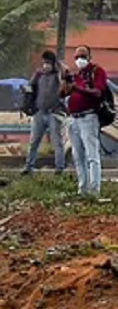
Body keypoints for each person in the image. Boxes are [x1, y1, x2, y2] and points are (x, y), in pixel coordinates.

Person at [62, 45, 107, 197]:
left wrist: (78, 88)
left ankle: (95, 191)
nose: (79, 60)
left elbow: (98, 92)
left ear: (89, 57)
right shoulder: (77, 75)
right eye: (76, 57)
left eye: (82, 56)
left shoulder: (97, 71)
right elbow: (62, 94)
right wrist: (65, 81)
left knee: (92, 156)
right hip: (73, 119)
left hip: (88, 117)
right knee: (77, 156)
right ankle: (83, 190)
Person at [22, 50, 67, 175]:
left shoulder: (57, 75)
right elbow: (29, 88)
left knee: (57, 142)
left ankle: (60, 168)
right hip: (39, 112)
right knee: (34, 141)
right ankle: (28, 166)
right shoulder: (39, 76)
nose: (45, 66)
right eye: (44, 63)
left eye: (48, 63)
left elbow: (64, 77)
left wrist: (58, 65)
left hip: (54, 112)